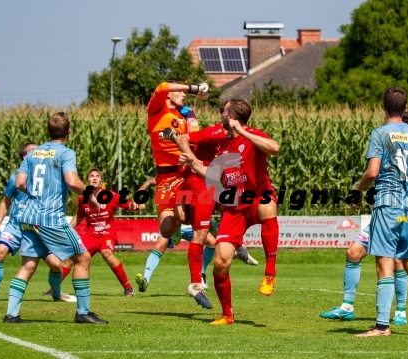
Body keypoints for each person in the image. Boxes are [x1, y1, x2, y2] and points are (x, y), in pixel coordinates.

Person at [180, 99, 280, 325]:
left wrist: (243, 132)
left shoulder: (253, 134)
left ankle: (270, 274)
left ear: (232, 117)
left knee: (268, 206)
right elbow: (214, 174)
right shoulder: (223, 146)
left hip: (256, 198)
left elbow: (274, 148)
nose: (220, 115)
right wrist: (193, 163)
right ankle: (227, 314)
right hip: (234, 208)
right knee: (220, 262)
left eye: (224, 112)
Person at [320, 112, 408, 325]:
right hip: (384, 212)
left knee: (397, 261)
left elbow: (399, 182)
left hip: (400, 214)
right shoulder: (395, 154)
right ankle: (347, 307)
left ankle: (400, 312)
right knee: (353, 252)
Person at [353, 88, 408, 337]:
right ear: (405, 107)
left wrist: (358, 191)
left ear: (383, 106)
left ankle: (382, 326)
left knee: (385, 265)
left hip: (388, 205)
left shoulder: (380, 134)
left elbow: (372, 172)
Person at [4, 112, 108, 324]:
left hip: (27, 217)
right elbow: (71, 181)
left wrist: (34, 195)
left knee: (28, 265)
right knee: (83, 258)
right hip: (50, 218)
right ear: (69, 131)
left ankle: (11, 314)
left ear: (48, 131)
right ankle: (83, 312)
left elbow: (20, 183)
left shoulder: (33, 154)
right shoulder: (65, 152)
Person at [0, 142, 74, 303]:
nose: (41, 153)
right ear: (25, 157)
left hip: (37, 227)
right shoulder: (16, 178)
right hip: (16, 226)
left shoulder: (48, 175)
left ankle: (57, 294)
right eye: (35, 151)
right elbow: (4, 202)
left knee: (56, 265)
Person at [43, 168, 138, 297]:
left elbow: (129, 206)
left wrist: (136, 204)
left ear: (101, 181)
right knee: (70, 260)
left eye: (97, 176)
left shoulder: (112, 195)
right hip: (91, 237)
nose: (94, 178)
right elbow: (78, 218)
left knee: (106, 253)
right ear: (87, 180)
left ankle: (128, 288)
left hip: (107, 235)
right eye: (91, 176)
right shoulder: (83, 199)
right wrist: (66, 232)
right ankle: (53, 289)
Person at [146, 81, 208, 242]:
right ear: (169, 94)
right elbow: (161, 86)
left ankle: (209, 227)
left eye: (185, 93)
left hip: (183, 175)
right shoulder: (156, 110)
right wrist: (195, 89)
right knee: (166, 231)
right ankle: (179, 229)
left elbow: (195, 140)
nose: (183, 95)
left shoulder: (186, 114)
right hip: (164, 179)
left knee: (183, 216)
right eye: (180, 91)